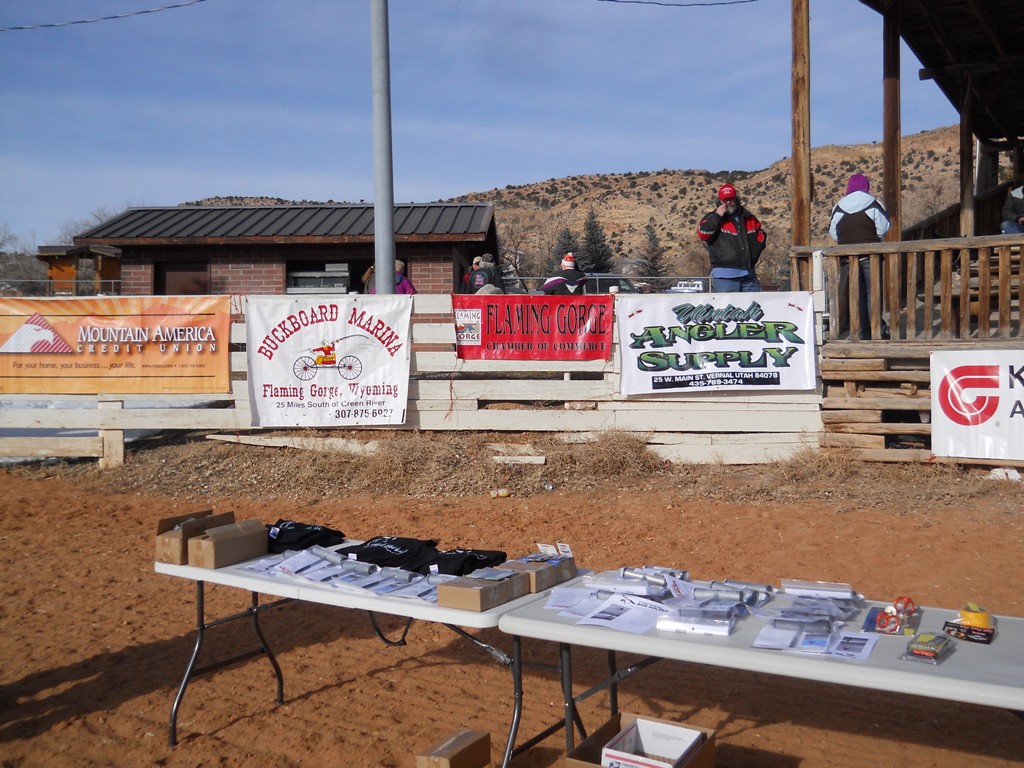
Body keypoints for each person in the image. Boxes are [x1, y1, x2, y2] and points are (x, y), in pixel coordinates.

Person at [828, 173, 891, 339]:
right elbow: (883, 228)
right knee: (873, 295)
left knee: (854, 296)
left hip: (847, 259)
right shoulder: (873, 204)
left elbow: (834, 233)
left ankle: (859, 332)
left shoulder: (838, 207)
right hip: (871, 256)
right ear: (866, 187)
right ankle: (876, 331)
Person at [696, 183, 766, 292]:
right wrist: (717, 216)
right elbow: (703, 234)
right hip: (724, 278)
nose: (728, 202)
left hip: (749, 275)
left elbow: (761, 236)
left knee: (755, 307)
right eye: (725, 200)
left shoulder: (749, 218)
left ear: (736, 199)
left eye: (731, 199)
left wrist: (755, 251)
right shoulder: (712, 218)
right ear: (720, 202)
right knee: (728, 308)